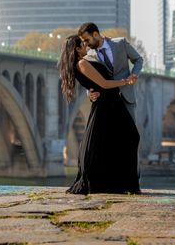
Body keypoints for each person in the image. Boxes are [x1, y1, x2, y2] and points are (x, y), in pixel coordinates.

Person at [58, 34, 141, 194]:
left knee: (109, 143)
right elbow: (103, 83)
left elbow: (95, 83)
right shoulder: (82, 63)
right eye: (83, 43)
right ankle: (118, 183)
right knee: (130, 137)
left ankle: (116, 183)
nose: (86, 45)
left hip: (110, 104)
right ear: (76, 49)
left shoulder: (82, 62)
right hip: (107, 106)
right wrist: (126, 81)